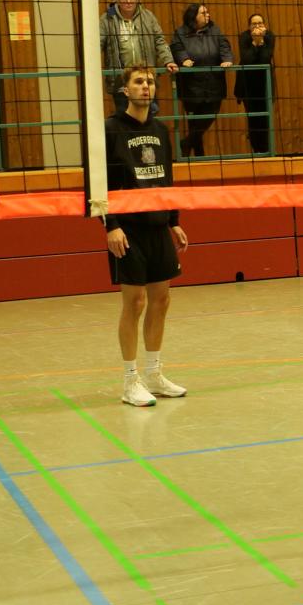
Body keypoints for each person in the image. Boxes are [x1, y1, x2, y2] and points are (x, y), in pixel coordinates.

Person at [104, 64, 189, 407]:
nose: (146, 86)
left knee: (162, 299)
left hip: (157, 224)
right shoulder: (110, 129)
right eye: (139, 81)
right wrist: (110, 225)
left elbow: (166, 178)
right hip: (128, 228)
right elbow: (101, 182)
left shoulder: (160, 129)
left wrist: (173, 220)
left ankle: (154, 374)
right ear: (125, 90)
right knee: (135, 302)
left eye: (150, 82)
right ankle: (130, 381)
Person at [170, 2, 233, 158]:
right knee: (194, 121)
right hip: (190, 85)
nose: (208, 15)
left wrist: (227, 59)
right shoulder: (180, 33)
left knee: (210, 114)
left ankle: (186, 143)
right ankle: (199, 155)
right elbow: (176, 48)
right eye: (203, 13)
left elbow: (224, 46)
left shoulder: (215, 30)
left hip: (214, 83)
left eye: (208, 12)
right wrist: (184, 59)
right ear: (193, 17)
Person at [100, 0, 174, 114]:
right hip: (121, 80)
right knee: (125, 117)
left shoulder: (148, 16)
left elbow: (159, 40)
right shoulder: (107, 19)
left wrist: (168, 61)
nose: (128, 2)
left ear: (137, 0)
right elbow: (97, 43)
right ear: (118, 1)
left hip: (145, 77)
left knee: (150, 115)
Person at [236, 13, 275, 154]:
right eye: (254, 24)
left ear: (264, 25)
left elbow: (265, 58)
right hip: (248, 84)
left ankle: (265, 151)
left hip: (265, 85)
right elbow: (246, 59)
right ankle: (257, 151)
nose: (257, 26)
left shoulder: (269, 36)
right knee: (253, 119)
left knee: (265, 119)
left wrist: (261, 41)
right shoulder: (244, 37)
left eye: (260, 23)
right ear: (249, 26)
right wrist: (254, 42)